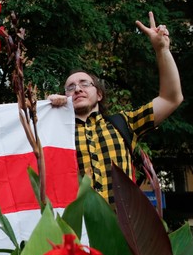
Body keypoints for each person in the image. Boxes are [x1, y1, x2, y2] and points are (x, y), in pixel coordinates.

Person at [49, 12, 183, 205]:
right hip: (76, 229)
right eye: (70, 87)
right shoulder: (54, 133)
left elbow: (171, 98)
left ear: (100, 94)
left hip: (123, 227)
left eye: (85, 84)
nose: (77, 89)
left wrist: (162, 50)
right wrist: (45, 110)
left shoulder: (124, 122)